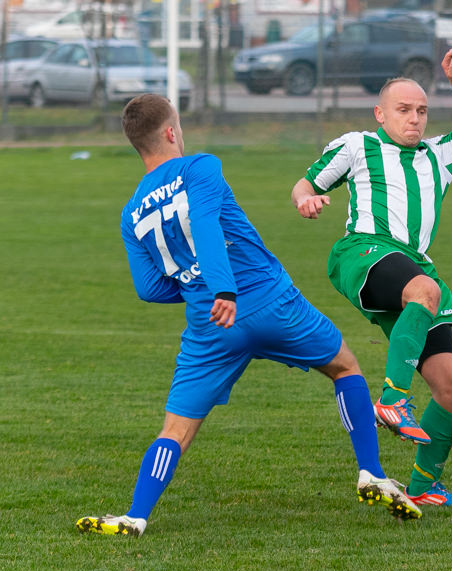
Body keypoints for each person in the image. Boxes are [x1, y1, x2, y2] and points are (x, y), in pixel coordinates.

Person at [76, 94, 421, 537]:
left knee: (176, 430)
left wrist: (199, 289)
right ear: (170, 132)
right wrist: (223, 287)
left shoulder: (131, 212)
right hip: (268, 300)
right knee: (344, 367)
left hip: (210, 326)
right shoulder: (200, 166)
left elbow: (148, 289)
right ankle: (371, 473)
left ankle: (136, 516)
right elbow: (203, 222)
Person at [290, 47, 452, 507]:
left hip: (414, 267)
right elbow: (305, 184)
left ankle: (425, 487)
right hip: (361, 253)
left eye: (422, 111)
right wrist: (305, 199)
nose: (415, 119)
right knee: (424, 290)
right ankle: (390, 399)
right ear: (380, 114)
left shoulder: (440, 154)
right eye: (404, 110)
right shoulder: (357, 145)